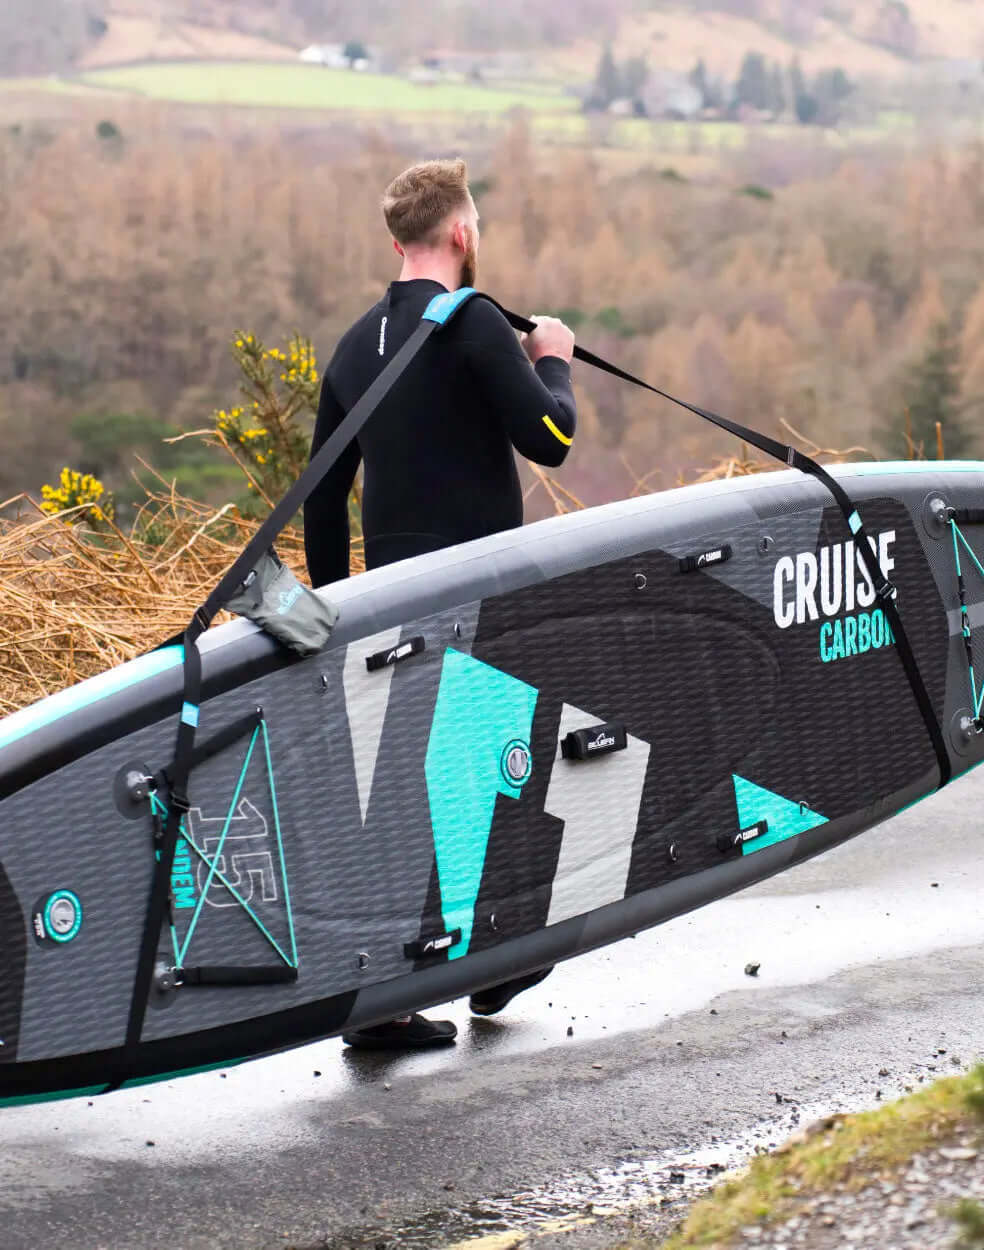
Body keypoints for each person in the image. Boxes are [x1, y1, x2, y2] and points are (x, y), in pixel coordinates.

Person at [304, 158, 576, 1050]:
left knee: (400, 796)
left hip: (383, 600)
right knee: (496, 774)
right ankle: (496, 968)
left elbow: (321, 495)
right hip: (480, 591)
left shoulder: (350, 345)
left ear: (396, 243)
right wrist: (557, 363)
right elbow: (550, 438)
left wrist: (337, 608)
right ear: (462, 235)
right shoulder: (476, 325)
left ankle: (378, 1007)